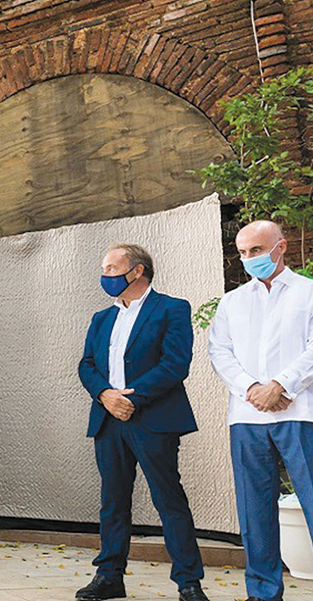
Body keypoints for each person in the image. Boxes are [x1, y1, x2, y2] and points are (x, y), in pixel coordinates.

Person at [209, 220, 313, 601]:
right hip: (247, 416)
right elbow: (219, 352)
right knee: (254, 510)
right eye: (243, 252)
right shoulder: (232, 302)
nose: (248, 259)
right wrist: (252, 389)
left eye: (256, 250)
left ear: (281, 247)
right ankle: (262, 592)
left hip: (303, 413)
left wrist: (280, 385)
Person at [76, 244, 209, 601]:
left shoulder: (172, 308)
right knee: (113, 501)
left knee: (169, 499)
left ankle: (188, 582)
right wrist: (106, 395)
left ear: (136, 271)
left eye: (110, 268)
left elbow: (175, 364)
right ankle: (109, 576)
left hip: (153, 419)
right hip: (109, 419)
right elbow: (86, 365)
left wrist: (130, 399)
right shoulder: (102, 318)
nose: (104, 275)